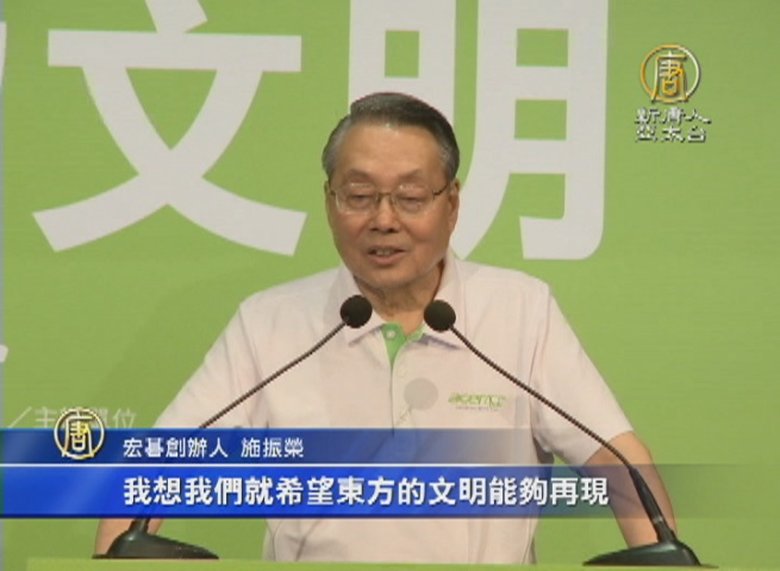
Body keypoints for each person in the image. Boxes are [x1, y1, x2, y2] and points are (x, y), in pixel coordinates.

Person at [95, 92, 676, 563]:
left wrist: (661, 557)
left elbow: (616, 460)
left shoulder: (520, 309)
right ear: (330, 202)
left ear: (452, 204)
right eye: (359, 195)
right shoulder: (270, 322)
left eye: (410, 197)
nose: (383, 220)